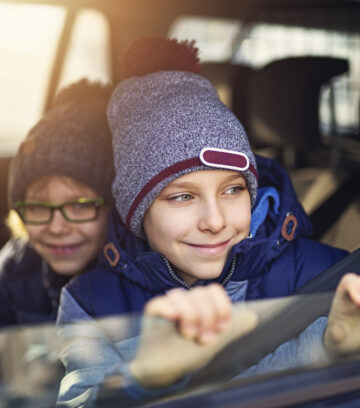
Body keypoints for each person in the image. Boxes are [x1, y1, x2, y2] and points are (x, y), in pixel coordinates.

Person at [56, 37, 357, 406]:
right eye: (182, 196)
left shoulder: (335, 277)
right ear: (137, 209)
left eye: (233, 190)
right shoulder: (90, 303)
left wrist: (334, 348)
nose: (215, 221)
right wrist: (142, 380)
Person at [0, 79, 114, 328]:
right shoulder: (14, 272)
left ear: (114, 209)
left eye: (80, 205)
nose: (57, 227)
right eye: (38, 208)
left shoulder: (136, 280)